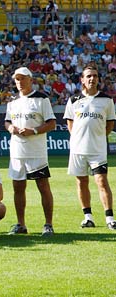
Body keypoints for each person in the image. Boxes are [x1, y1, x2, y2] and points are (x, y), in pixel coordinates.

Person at [5, 67, 56, 236]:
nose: (19, 82)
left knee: (43, 186)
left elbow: (51, 123)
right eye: (17, 79)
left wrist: (33, 131)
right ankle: (21, 224)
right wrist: (11, 127)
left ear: (30, 79)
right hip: (17, 151)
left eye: (22, 78)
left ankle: (48, 224)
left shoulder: (41, 99)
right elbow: (6, 122)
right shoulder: (12, 101)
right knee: (18, 187)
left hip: (36, 151)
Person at [64, 66, 116, 230]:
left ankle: (109, 218)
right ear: (82, 79)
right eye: (88, 76)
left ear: (98, 79)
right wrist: (79, 140)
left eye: (94, 76)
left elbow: (109, 124)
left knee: (101, 181)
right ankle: (88, 217)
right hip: (78, 150)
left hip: (97, 150)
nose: (92, 79)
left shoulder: (107, 101)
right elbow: (70, 125)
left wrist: (98, 138)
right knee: (81, 182)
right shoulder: (73, 100)